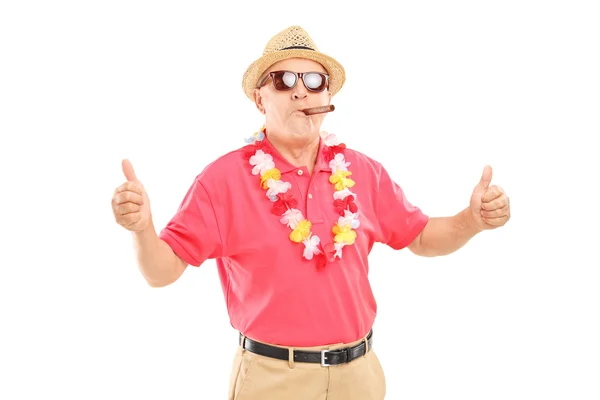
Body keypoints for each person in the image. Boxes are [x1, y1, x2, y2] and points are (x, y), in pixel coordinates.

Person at [111, 25, 511, 400]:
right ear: (259, 99)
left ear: (326, 98)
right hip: (272, 379)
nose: (300, 92)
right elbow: (161, 272)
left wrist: (471, 220)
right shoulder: (222, 180)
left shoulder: (362, 171)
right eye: (283, 81)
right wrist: (143, 229)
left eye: (313, 81)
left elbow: (422, 237)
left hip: (360, 375)